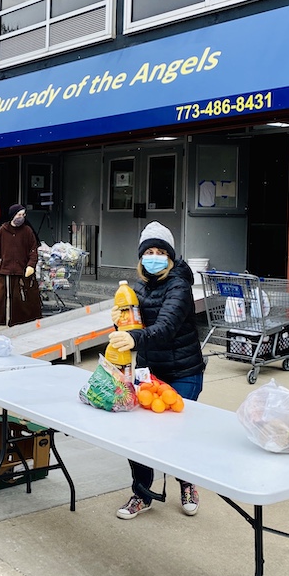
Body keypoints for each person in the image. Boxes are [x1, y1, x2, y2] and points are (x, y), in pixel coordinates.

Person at [106, 221, 206, 520]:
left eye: (160, 251)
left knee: (176, 435)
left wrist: (134, 338)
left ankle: (187, 483)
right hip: (149, 372)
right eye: (148, 251)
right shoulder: (138, 287)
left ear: (170, 257)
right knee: (137, 435)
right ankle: (142, 493)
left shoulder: (179, 285)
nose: (154, 256)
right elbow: (135, 327)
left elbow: (164, 328)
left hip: (183, 370)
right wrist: (119, 322)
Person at [0, 205, 41, 333]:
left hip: (21, 270)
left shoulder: (27, 231)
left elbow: (33, 251)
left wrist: (31, 265)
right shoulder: (3, 230)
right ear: (13, 215)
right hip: (5, 269)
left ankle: (18, 324)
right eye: (19, 215)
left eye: (23, 215)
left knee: (19, 299)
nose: (21, 218)